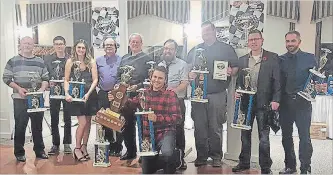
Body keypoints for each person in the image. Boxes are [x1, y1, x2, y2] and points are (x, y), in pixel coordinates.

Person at [108, 66, 182, 174]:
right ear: (151, 77)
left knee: (167, 153)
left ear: (165, 80)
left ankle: (174, 158)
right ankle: (163, 160)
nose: (156, 80)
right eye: (155, 77)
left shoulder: (170, 95)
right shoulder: (144, 94)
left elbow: (177, 118)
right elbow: (129, 104)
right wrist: (116, 99)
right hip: (148, 136)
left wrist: (158, 118)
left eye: (160, 78)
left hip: (165, 132)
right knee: (147, 170)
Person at [187, 21, 239, 167]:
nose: (205, 34)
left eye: (208, 32)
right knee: (199, 126)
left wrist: (231, 71)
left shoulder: (226, 48)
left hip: (217, 93)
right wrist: (190, 74)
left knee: (216, 126)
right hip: (198, 94)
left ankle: (216, 156)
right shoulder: (196, 49)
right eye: (203, 32)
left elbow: (235, 67)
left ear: (214, 31)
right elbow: (189, 67)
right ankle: (201, 156)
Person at [231, 29, 281, 174]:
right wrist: (237, 92)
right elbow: (240, 81)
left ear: (262, 40)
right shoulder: (242, 60)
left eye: (256, 39)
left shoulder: (272, 58)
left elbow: (277, 81)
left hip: (264, 104)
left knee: (264, 138)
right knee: (244, 136)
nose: (253, 42)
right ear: (248, 42)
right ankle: (244, 162)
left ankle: (265, 167)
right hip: (246, 104)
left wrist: (276, 99)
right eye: (251, 40)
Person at [2, 36, 49, 162]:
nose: (27, 45)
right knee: (20, 126)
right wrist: (18, 88)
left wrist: (42, 89)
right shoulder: (13, 61)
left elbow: (45, 79)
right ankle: (19, 152)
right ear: (21, 45)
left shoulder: (40, 61)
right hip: (20, 99)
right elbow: (6, 78)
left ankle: (39, 151)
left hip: (37, 99)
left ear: (33, 46)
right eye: (25, 43)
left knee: (37, 126)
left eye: (30, 43)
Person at [279, 31, 316, 174]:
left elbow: (316, 79)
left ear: (299, 42)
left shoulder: (310, 58)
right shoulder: (280, 59)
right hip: (285, 105)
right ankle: (290, 166)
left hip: (303, 104)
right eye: (287, 41)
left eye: (293, 41)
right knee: (286, 137)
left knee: (305, 138)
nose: (290, 44)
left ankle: (305, 167)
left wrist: (320, 85)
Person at [115, 33, 152, 160]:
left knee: (143, 125)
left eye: (137, 42)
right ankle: (130, 151)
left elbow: (150, 79)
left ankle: (144, 151)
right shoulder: (124, 58)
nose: (135, 44)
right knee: (127, 124)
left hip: (142, 96)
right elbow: (119, 75)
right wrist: (120, 86)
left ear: (141, 44)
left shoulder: (147, 58)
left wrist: (138, 86)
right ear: (129, 43)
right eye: (132, 42)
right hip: (126, 96)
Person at [64, 39, 98, 161]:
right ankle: (77, 148)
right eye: (79, 47)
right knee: (82, 122)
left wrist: (88, 94)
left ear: (86, 49)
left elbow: (95, 80)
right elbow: (66, 79)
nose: (81, 50)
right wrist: (67, 93)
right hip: (76, 97)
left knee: (88, 123)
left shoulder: (91, 62)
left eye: (83, 48)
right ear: (75, 48)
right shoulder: (70, 62)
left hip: (89, 96)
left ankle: (84, 146)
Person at [158, 39, 189, 170]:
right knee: (163, 130)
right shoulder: (159, 65)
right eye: (165, 48)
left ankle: (180, 158)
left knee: (179, 130)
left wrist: (173, 92)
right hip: (161, 104)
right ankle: (165, 156)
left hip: (177, 102)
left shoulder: (182, 64)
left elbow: (184, 83)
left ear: (175, 51)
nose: (167, 51)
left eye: (170, 49)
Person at [44, 36, 72, 155]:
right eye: (56, 44)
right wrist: (48, 82)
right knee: (54, 118)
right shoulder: (47, 59)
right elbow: (45, 74)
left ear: (65, 45)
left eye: (61, 44)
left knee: (67, 118)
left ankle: (67, 143)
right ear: (54, 45)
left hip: (67, 91)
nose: (59, 46)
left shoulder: (70, 59)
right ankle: (55, 144)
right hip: (53, 92)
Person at [96, 38, 123, 156]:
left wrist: (116, 91)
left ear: (115, 46)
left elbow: (123, 77)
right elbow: (95, 78)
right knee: (106, 120)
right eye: (106, 45)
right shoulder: (98, 61)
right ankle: (109, 144)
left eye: (111, 45)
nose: (109, 47)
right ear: (103, 46)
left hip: (118, 94)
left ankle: (118, 146)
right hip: (103, 94)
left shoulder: (121, 60)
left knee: (118, 120)